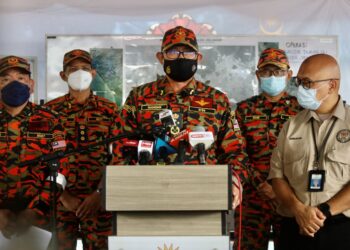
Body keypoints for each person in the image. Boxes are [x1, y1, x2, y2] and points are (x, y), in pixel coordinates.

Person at [117, 25, 251, 209]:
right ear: (160, 57)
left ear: (198, 58)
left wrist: (235, 181)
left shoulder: (217, 100)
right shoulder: (139, 96)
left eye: (188, 53)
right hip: (150, 194)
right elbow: (120, 146)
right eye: (173, 52)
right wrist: (122, 188)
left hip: (205, 194)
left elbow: (235, 151)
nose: (181, 58)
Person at [268, 53, 350, 250]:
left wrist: (322, 213)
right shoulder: (291, 126)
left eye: (307, 82)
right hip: (295, 226)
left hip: (341, 228)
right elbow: (277, 176)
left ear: (332, 85)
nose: (301, 89)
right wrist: (299, 211)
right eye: (299, 82)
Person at [45, 49, 120, 250]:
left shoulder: (110, 110)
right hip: (60, 203)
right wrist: (62, 196)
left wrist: (99, 193)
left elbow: (118, 156)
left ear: (93, 73)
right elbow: (40, 157)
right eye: (73, 69)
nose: (80, 73)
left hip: (98, 203)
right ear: (63, 75)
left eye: (85, 68)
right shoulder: (49, 112)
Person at [234, 48, 302, 250]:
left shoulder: (301, 110)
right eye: (266, 72)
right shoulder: (244, 110)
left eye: (278, 72)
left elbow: (305, 153)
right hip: (253, 197)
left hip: (291, 198)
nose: (272, 76)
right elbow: (237, 150)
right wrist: (261, 184)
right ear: (258, 75)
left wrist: (280, 189)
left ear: (289, 75)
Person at [0, 55, 68, 238]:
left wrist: (35, 210)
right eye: (6, 79)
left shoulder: (50, 119)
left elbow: (61, 170)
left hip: (39, 220)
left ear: (31, 84)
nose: (14, 84)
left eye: (20, 78)